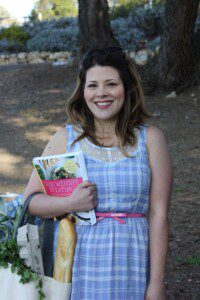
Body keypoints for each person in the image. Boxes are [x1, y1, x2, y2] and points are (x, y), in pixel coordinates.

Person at [23, 47, 173, 300]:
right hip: (76, 264)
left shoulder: (150, 139)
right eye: (93, 85)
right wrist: (69, 203)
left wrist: (156, 283)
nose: (101, 93)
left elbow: (159, 214)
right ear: (83, 92)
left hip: (132, 259)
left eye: (111, 84)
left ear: (126, 88)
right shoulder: (65, 140)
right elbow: (30, 203)